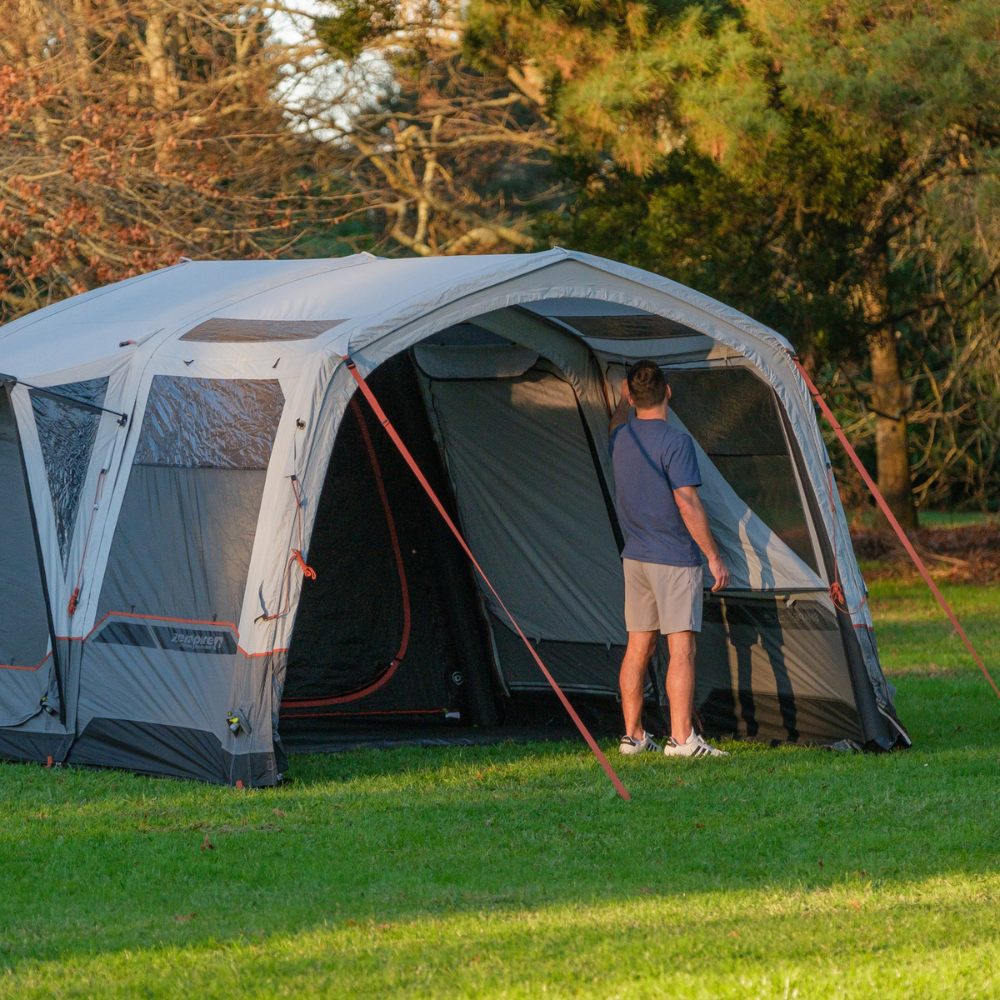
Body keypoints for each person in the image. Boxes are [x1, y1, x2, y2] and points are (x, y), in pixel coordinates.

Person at [609, 360, 731, 758]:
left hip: (635, 558)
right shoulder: (676, 442)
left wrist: (619, 398)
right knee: (681, 651)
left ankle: (633, 737)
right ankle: (681, 740)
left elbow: (616, 422)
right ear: (668, 392)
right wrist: (713, 556)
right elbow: (687, 502)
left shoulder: (620, 437)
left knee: (637, 647)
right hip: (675, 558)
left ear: (630, 397)